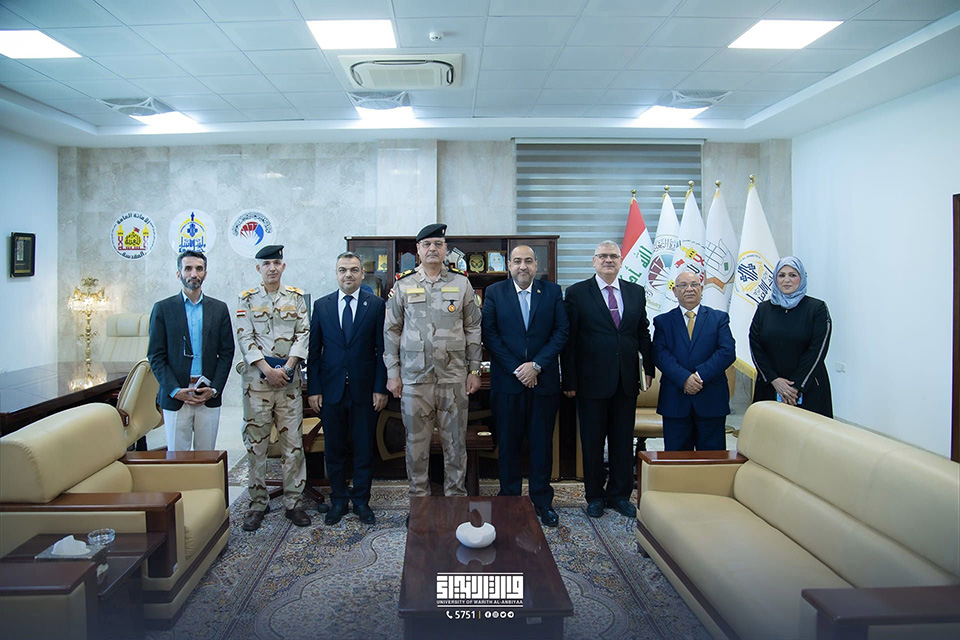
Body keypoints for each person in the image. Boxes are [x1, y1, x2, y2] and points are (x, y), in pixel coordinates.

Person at [383, 223, 483, 500]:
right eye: (426, 244)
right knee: (416, 446)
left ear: (446, 249)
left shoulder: (461, 283)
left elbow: (473, 328)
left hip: (454, 378)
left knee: (455, 445)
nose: (432, 249)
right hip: (415, 379)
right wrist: (393, 373)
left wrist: (474, 370)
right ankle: (419, 503)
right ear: (418, 250)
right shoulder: (403, 285)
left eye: (438, 244)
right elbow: (391, 330)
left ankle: (455, 501)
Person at [561, 241, 654, 519]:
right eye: (603, 256)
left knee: (622, 441)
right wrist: (569, 380)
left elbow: (642, 332)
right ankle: (595, 496)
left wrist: (648, 369)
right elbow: (569, 340)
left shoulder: (636, 292)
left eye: (613, 256)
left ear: (621, 260)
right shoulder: (577, 293)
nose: (608, 260)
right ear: (594, 261)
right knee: (592, 442)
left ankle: (619, 495)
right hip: (590, 381)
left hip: (626, 380)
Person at [481, 245, 569, 527]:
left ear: (536, 265)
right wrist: (518, 369)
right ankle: (509, 500)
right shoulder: (495, 293)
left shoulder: (552, 292)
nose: (523, 266)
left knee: (542, 445)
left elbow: (561, 332)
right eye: (517, 261)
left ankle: (542, 501)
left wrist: (537, 365)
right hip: (508, 383)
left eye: (528, 261)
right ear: (509, 265)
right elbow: (489, 334)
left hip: (543, 382)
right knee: (508, 444)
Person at [308, 252, 388, 526]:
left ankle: (362, 501)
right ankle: (339, 500)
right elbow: (314, 352)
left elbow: (382, 349)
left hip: (365, 391)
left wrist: (380, 388)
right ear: (336, 274)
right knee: (334, 449)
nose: (348, 275)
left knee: (364, 448)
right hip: (331, 391)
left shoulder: (376, 305)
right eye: (343, 270)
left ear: (362, 274)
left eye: (354, 270)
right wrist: (314, 389)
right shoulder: (322, 305)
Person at [234, 245, 311, 530]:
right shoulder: (246, 299)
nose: (272, 268)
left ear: (283, 266)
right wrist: (268, 370)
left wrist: (287, 369)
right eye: (266, 263)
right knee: (257, 446)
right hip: (258, 384)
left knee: (293, 445)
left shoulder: (296, 297)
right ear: (258, 268)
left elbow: (304, 333)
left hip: (288, 384)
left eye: (277, 263)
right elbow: (245, 338)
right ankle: (258, 503)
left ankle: (294, 503)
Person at [147, 250, 234, 452]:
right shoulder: (163, 308)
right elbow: (155, 356)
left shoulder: (219, 309)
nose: (193, 274)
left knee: (206, 457)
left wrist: (214, 389)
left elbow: (227, 353)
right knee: (178, 459)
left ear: (205, 273)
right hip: (176, 395)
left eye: (199, 269)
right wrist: (175, 390)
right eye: (188, 268)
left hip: (207, 394)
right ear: (179, 273)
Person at [652, 271, 736, 451]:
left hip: (711, 399)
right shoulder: (663, 322)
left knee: (712, 460)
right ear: (675, 291)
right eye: (683, 285)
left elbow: (727, 352)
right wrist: (684, 378)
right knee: (677, 460)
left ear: (701, 289)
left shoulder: (719, 318)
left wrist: (699, 376)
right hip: (675, 401)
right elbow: (659, 354)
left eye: (694, 285)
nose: (689, 289)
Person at [749, 256, 833, 417]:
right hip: (770, 386)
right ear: (775, 279)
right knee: (770, 430)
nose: (786, 280)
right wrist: (774, 380)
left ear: (802, 278)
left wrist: (795, 387)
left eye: (792, 275)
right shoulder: (764, 309)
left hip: (808, 387)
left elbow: (817, 350)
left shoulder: (817, 308)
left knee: (807, 431)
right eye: (781, 275)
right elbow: (755, 347)